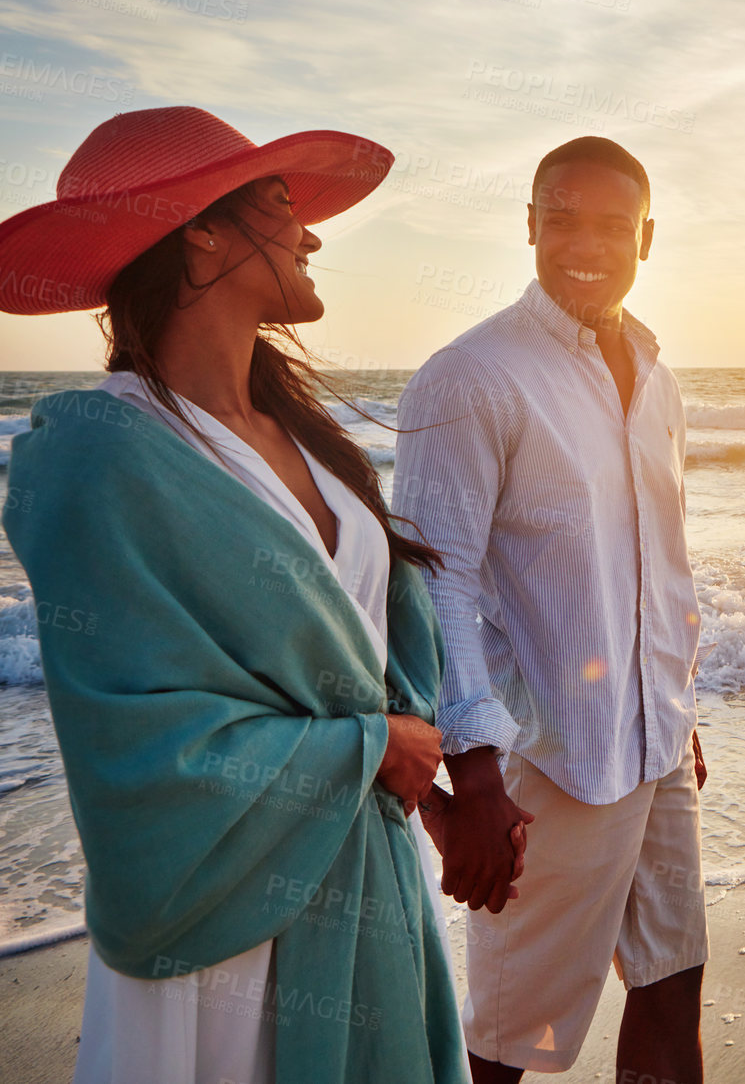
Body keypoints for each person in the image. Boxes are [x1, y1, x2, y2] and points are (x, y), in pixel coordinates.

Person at [0, 106, 475, 1084]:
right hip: (223, 920)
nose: (312, 232)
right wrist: (365, 745)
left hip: (361, 869)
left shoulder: (306, 438)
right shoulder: (103, 453)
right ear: (200, 229)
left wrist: (416, 738)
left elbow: (379, 645)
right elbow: (132, 739)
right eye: (282, 202)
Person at [394, 136, 707, 1084]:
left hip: (653, 747)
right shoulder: (471, 377)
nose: (585, 243)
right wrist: (474, 772)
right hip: (546, 758)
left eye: (613, 224)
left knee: (673, 983)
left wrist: (678, 707)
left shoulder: (655, 373)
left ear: (647, 238)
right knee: (511, 1040)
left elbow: (662, 560)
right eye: (561, 218)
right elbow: (434, 582)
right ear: (529, 225)